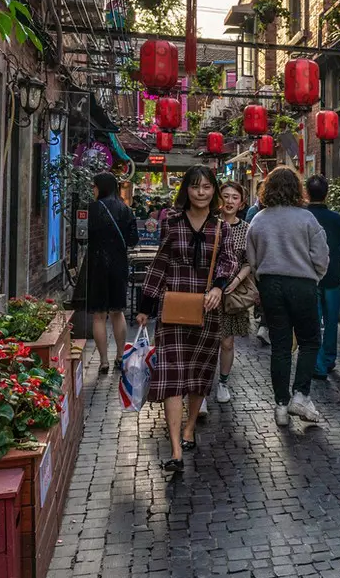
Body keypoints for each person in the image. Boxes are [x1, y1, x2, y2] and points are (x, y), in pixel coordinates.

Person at [136, 165, 248, 472]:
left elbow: (228, 261)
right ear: (186, 190)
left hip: (207, 310)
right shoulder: (171, 224)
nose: (201, 192)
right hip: (172, 308)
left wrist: (218, 288)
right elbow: (160, 263)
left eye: (206, 187)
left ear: (213, 192)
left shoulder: (221, 228)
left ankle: (189, 429)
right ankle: (175, 449)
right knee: (172, 376)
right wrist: (146, 304)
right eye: (195, 187)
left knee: (199, 375)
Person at [246, 166, 331, 426]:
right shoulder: (306, 219)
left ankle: (281, 405)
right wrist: (314, 276)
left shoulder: (259, 219)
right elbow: (321, 257)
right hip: (302, 284)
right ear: (297, 189)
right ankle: (301, 394)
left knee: (280, 346)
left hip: (271, 284)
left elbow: (252, 258)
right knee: (309, 341)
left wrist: (263, 279)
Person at [83, 173, 135, 374]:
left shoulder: (91, 209)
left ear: (100, 188)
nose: (93, 190)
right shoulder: (125, 209)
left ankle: (103, 361)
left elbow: (82, 236)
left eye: (94, 187)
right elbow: (133, 240)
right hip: (118, 265)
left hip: (96, 264)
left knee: (98, 315)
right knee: (117, 312)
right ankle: (120, 356)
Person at [211, 179, 254, 405]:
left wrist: (236, 281)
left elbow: (249, 262)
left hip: (232, 295)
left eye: (234, 198)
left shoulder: (247, 230)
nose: (229, 201)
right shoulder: (210, 224)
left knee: (227, 342)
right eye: (226, 196)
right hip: (207, 293)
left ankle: (223, 383)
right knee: (206, 341)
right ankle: (202, 385)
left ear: (241, 203)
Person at [306, 174, 340, 381]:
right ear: (327, 193)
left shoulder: (302, 216)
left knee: (313, 321)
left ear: (307, 193)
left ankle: (317, 362)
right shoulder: (336, 218)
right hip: (332, 277)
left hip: (309, 277)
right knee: (331, 321)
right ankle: (328, 359)